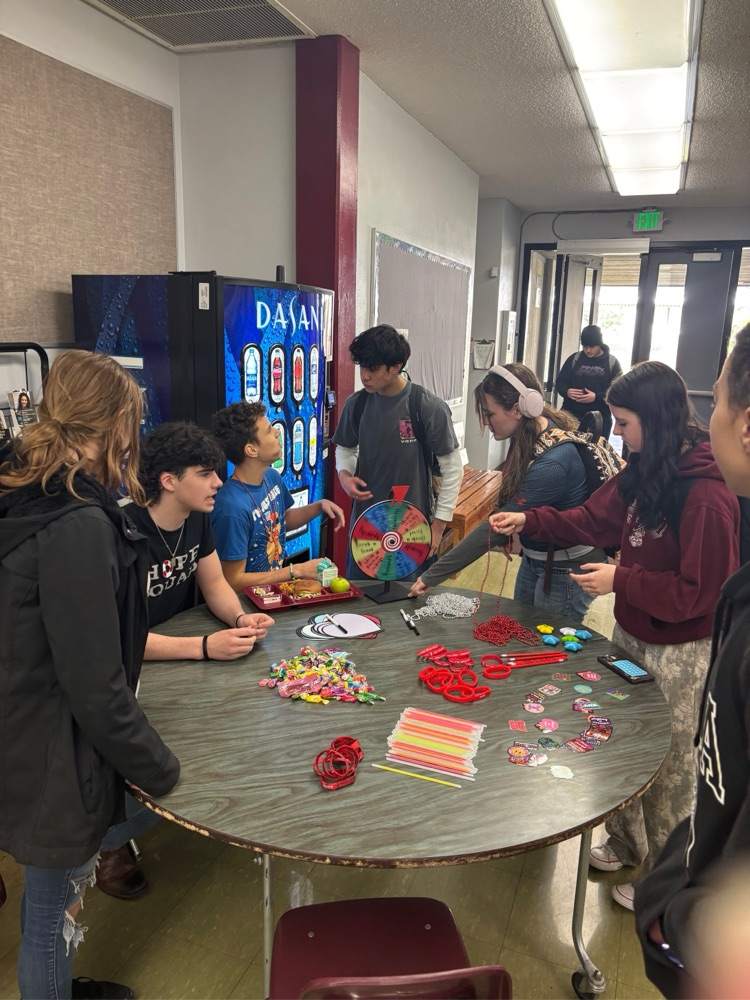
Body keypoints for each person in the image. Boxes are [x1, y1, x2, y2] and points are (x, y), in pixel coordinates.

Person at [493, 361, 739, 911]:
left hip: (680, 650)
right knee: (618, 740)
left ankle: (666, 881)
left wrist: (619, 579)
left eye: (624, 422)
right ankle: (628, 843)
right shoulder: (643, 467)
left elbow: (699, 595)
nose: (616, 433)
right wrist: (529, 522)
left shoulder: (706, 497)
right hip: (632, 631)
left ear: (655, 419)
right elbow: (590, 520)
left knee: (672, 764)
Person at [0, 351, 180, 1000]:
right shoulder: (77, 525)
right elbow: (96, 686)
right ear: (116, 426)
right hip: (50, 751)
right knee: (55, 910)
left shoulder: (20, 489)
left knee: (48, 903)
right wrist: (160, 772)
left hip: (15, 725)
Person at [96, 422, 275, 901]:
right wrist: (203, 647)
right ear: (169, 481)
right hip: (129, 666)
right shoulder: (120, 531)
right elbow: (112, 640)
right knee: (135, 752)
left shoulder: (198, 519)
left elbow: (216, 584)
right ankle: (110, 844)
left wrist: (240, 618)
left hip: (183, 647)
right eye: (206, 473)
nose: (219, 482)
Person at [633, 325, 750, 997]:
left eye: (721, 397)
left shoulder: (705, 495)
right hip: (693, 913)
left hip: (707, 942)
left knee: (671, 761)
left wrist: (675, 916)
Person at [409, 364, 607, 619]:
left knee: (547, 649)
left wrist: (431, 576)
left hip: (564, 568)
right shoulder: (531, 434)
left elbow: (496, 527)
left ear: (517, 409)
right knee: (524, 635)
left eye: (490, 414)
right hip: (537, 558)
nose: (485, 422)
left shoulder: (553, 463)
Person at [332, 324, 463, 579]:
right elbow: (346, 447)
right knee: (362, 603)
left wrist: (437, 527)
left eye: (372, 368)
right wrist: (345, 475)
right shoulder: (356, 404)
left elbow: (452, 469)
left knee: (408, 603)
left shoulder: (427, 406)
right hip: (367, 526)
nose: (364, 376)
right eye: (362, 367)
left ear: (396, 366)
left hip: (413, 526)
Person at [210, 402, 345, 591]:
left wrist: (319, 506)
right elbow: (232, 580)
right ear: (251, 450)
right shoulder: (231, 507)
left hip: (272, 595)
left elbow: (283, 520)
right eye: (268, 431)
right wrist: (296, 571)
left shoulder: (270, 476)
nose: (277, 432)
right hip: (246, 609)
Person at [555, 324, 623, 439]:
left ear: (599, 344)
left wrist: (596, 397)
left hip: (599, 418)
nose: (588, 350)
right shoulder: (574, 359)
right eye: (585, 347)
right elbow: (560, 382)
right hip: (571, 414)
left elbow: (618, 391)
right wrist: (567, 391)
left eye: (592, 347)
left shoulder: (611, 363)